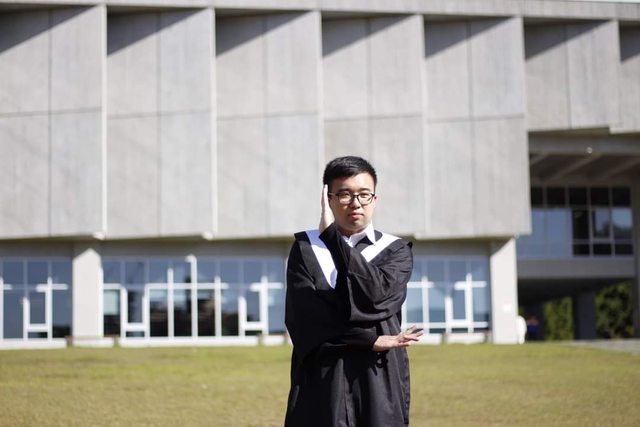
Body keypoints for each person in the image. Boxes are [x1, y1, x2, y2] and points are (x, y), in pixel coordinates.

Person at [284, 156, 423, 426]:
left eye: (364, 194)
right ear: (328, 198)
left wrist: (332, 239)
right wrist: (369, 339)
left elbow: (375, 298)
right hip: (323, 376)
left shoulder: (396, 251)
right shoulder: (306, 248)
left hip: (378, 378)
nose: (356, 203)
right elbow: (305, 319)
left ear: (375, 199)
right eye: (345, 194)